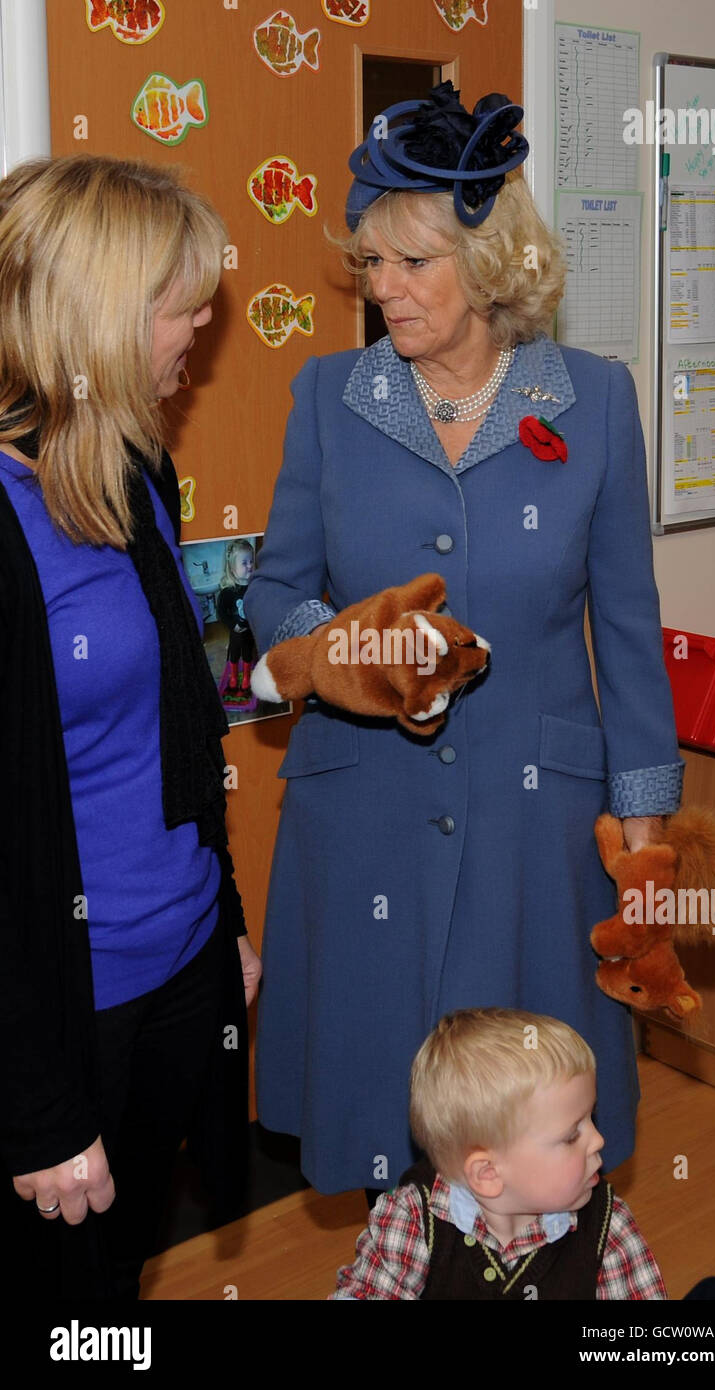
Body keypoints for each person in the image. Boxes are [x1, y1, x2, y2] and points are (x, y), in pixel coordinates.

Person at [244, 82, 684, 1202]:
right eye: (371, 263)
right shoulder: (327, 397)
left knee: (524, 1127)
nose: (383, 289)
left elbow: (626, 632)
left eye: (413, 263)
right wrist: (344, 657)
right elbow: (278, 591)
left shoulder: (590, 400)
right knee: (390, 1117)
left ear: (490, 267)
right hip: (365, 814)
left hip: (532, 827)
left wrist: (644, 843)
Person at [0, 154, 261, 1299]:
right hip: (60, 1016)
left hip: (178, 971)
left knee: (118, 1287)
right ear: (100, 315)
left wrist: (223, 928)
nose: (206, 324)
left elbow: (185, 732)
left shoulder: (133, 465)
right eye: (183, 301)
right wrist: (35, 1107)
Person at [330, 1008, 667, 1299]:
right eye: (571, 1136)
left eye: (590, 1119)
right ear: (488, 1173)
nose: (598, 1141)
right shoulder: (413, 1221)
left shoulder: (607, 1226)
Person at [217, 539, 256, 698]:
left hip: (250, 631)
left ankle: (246, 677)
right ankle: (233, 676)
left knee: (247, 653)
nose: (250, 566)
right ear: (232, 569)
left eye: (251, 561)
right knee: (234, 653)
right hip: (236, 631)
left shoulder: (254, 586)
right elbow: (222, 613)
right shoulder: (227, 592)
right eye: (244, 563)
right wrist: (233, 625)